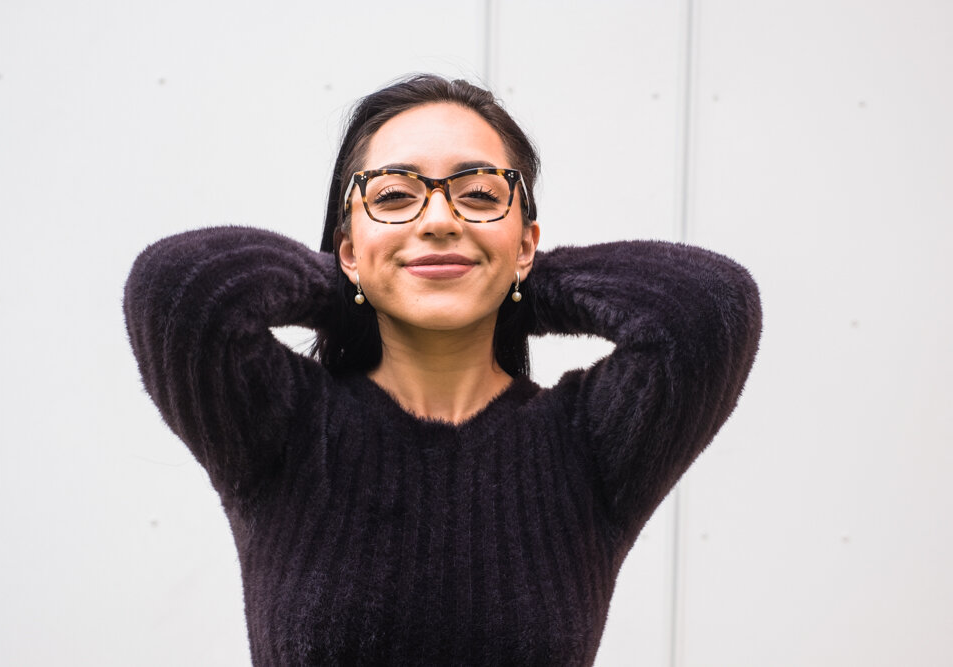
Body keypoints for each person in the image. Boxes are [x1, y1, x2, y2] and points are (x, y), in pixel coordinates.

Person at [124, 74, 762, 666]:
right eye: (394, 196)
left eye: (479, 194)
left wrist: (502, 275)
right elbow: (180, 288)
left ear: (528, 243)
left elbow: (705, 308)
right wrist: (373, 277)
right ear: (347, 248)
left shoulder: (586, 447)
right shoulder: (284, 428)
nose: (437, 220)